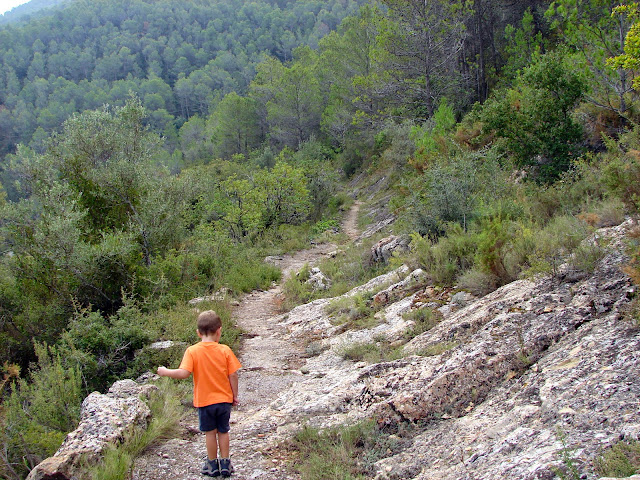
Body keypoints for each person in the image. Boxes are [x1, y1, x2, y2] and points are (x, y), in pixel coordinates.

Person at [158, 310, 241, 477]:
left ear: (198, 333)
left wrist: (165, 371)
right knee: (223, 431)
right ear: (219, 330)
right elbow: (233, 374)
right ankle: (225, 463)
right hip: (224, 400)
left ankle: (212, 464)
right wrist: (234, 395)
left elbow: (183, 373)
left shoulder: (192, 351)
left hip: (204, 401)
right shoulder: (225, 350)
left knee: (210, 433)